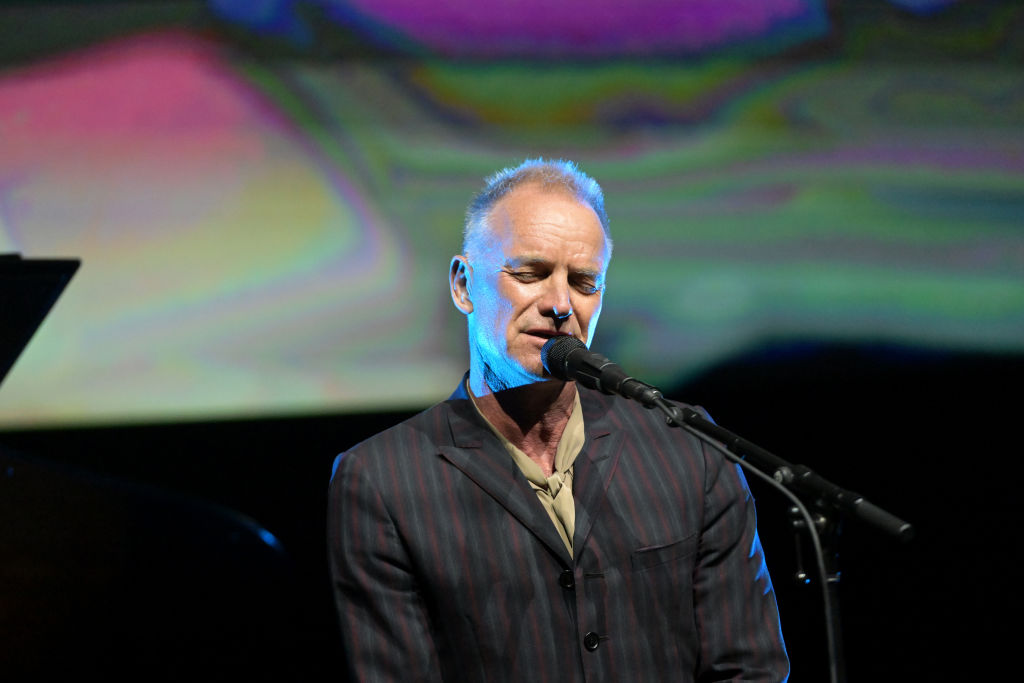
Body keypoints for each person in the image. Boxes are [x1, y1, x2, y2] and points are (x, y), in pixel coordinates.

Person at [328, 159, 789, 682]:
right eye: (530, 273)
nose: (560, 303)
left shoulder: (687, 445)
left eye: (584, 281)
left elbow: (750, 668)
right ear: (463, 285)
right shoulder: (382, 481)